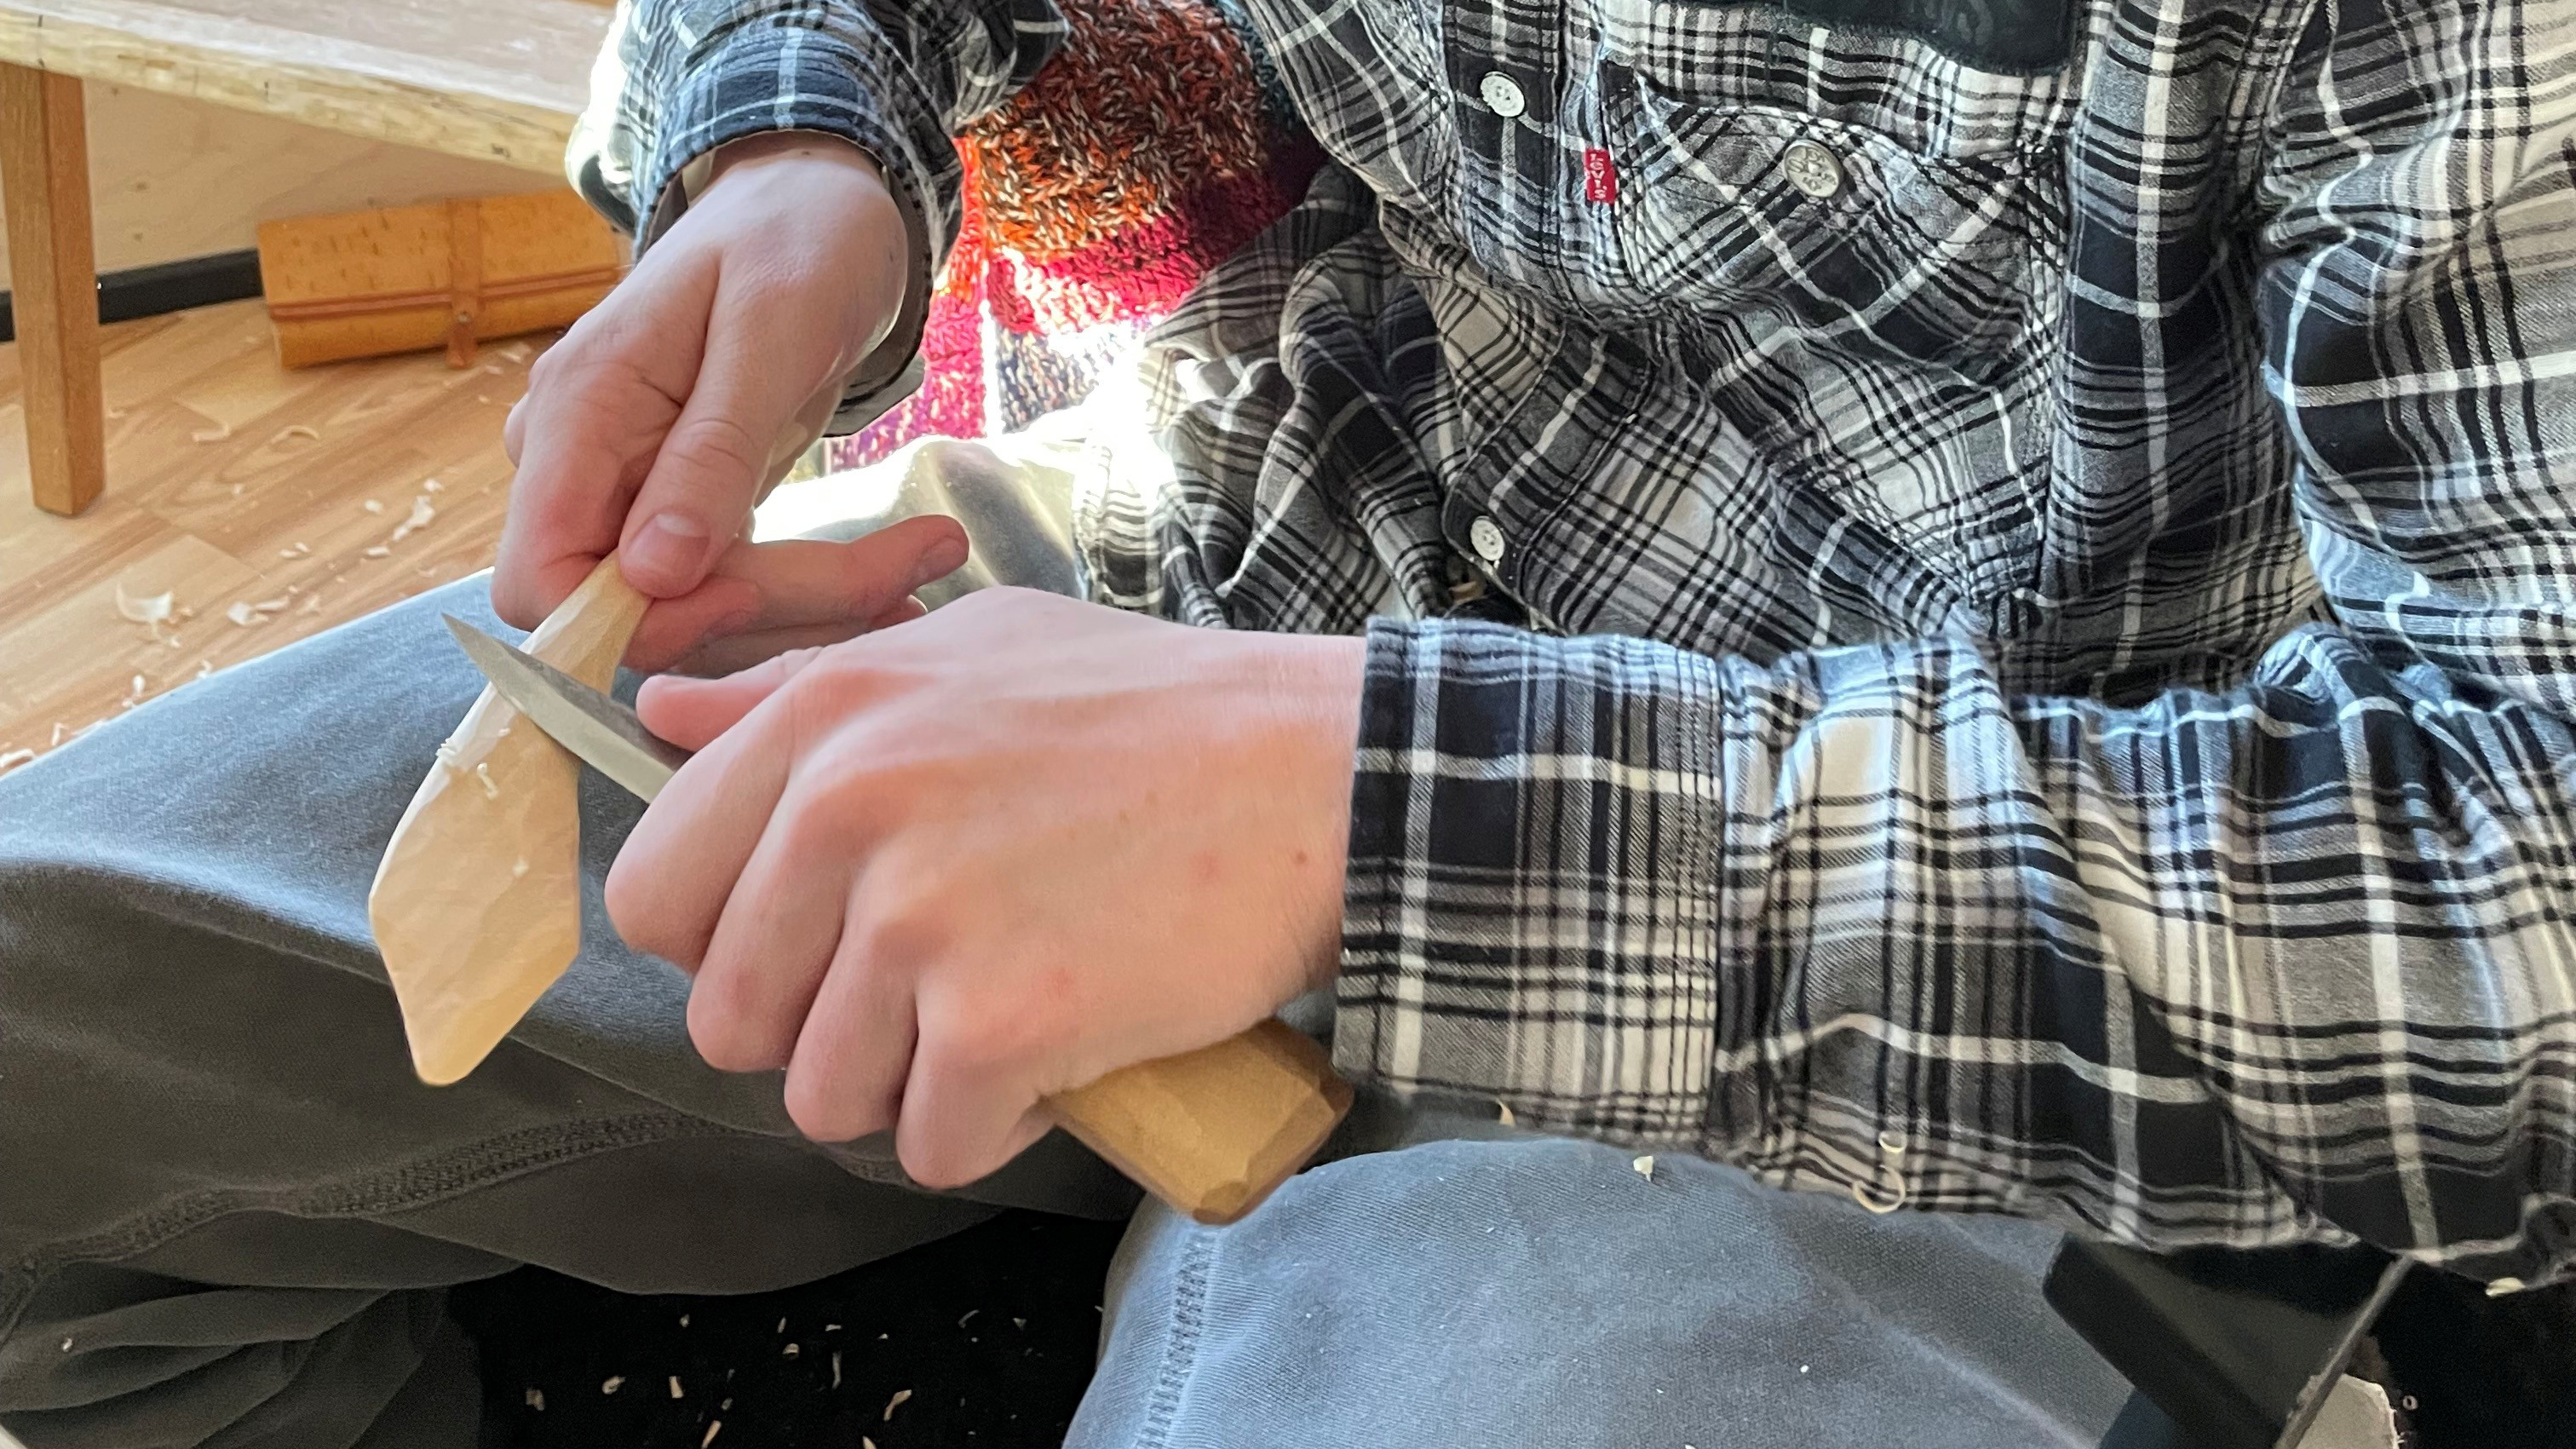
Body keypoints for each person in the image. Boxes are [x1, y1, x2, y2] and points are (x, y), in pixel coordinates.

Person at [3, 0, 2570, 1440]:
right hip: (1175, 565)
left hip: (1944, 938)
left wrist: (1361, 816)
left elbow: (2522, 914)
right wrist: (797, 145)